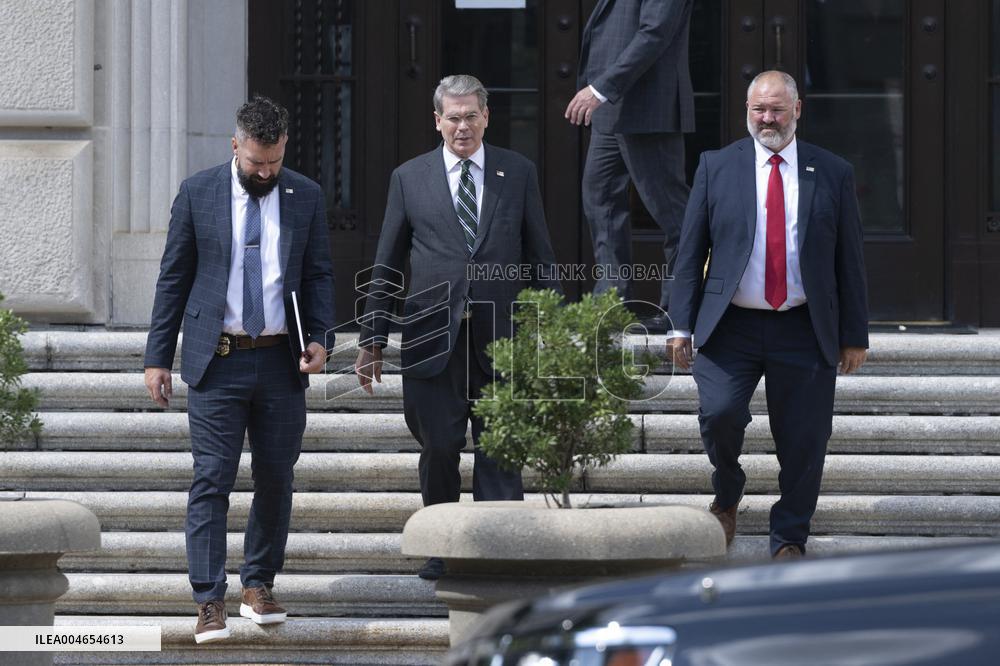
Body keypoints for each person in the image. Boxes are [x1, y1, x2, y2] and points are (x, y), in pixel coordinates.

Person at [143, 96, 335, 643]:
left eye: (274, 161)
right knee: (212, 478)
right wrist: (158, 356)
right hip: (217, 359)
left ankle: (258, 584)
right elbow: (173, 278)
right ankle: (209, 599)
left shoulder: (305, 195)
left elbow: (319, 274)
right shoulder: (198, 192)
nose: (266, 172)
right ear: (235, 147)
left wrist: (321, 339)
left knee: (276, 477)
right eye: (256, 162)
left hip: (280, 360)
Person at [355, 74, 560, 580]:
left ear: (486, 117)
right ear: (437, 121)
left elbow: (541, 256)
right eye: (453, 118)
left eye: (471, 116)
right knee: (440, 446)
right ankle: (443, 544)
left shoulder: (518, 171)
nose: (462, 126)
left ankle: (497, 550)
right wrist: (373, 338)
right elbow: (387, 262)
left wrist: (549, 330)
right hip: (432, 337)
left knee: (501, 447)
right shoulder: (409, 178)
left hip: (503, 338)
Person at [667, 71, 869, 559]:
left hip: (804, 325)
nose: (768, 119)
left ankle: (790, 536)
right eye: (759, 109)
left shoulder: (833, 171)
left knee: (805, 437)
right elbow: (689, 252)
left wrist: (854, 334)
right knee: (719, 415)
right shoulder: (717, 166)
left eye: (777, 109)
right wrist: (680, 325)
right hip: (730, 325)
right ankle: (728, 492)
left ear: (797, 110)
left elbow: (850, 259)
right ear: (747, 110)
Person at [566, 0, 695, 327]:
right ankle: (612, 303)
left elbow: (655, 33)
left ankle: (680, 310)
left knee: (672, 213)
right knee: (600, 200)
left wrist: (601, 88)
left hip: (648, 107)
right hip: (613, 111)